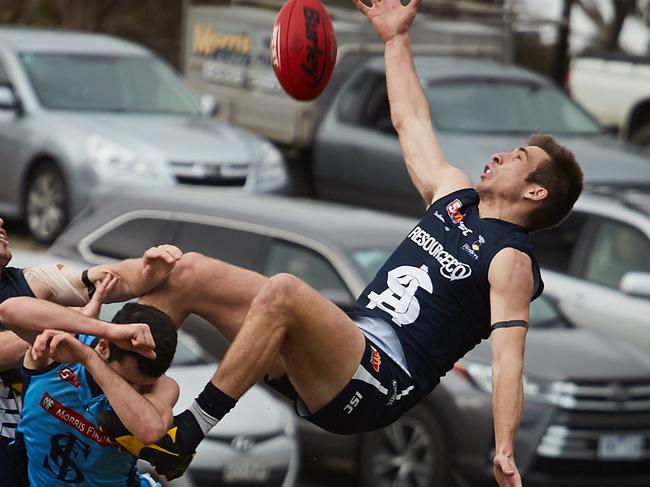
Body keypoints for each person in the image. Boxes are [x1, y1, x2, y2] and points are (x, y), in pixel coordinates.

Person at [105, 1, 584, 486]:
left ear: (535, 191)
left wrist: (504, 449)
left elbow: (508, 362)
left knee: (286, 291)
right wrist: (396, 40)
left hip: (381, 382)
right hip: (339, 349)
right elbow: (411, 123)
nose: (500, 155)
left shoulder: (510, 260)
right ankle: (117, 405)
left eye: (517, 157)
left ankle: (182, 438)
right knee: (187, 272)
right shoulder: (455, 197)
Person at [0, 216, 182, 486]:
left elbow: (106, 278)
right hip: (16, 459)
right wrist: (100, 329)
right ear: (105, 348)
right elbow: (11, 313)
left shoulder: (157, 386)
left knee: (189, 271)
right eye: (127, 381)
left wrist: (145, 271)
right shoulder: (59, 354)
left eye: (137, 386)